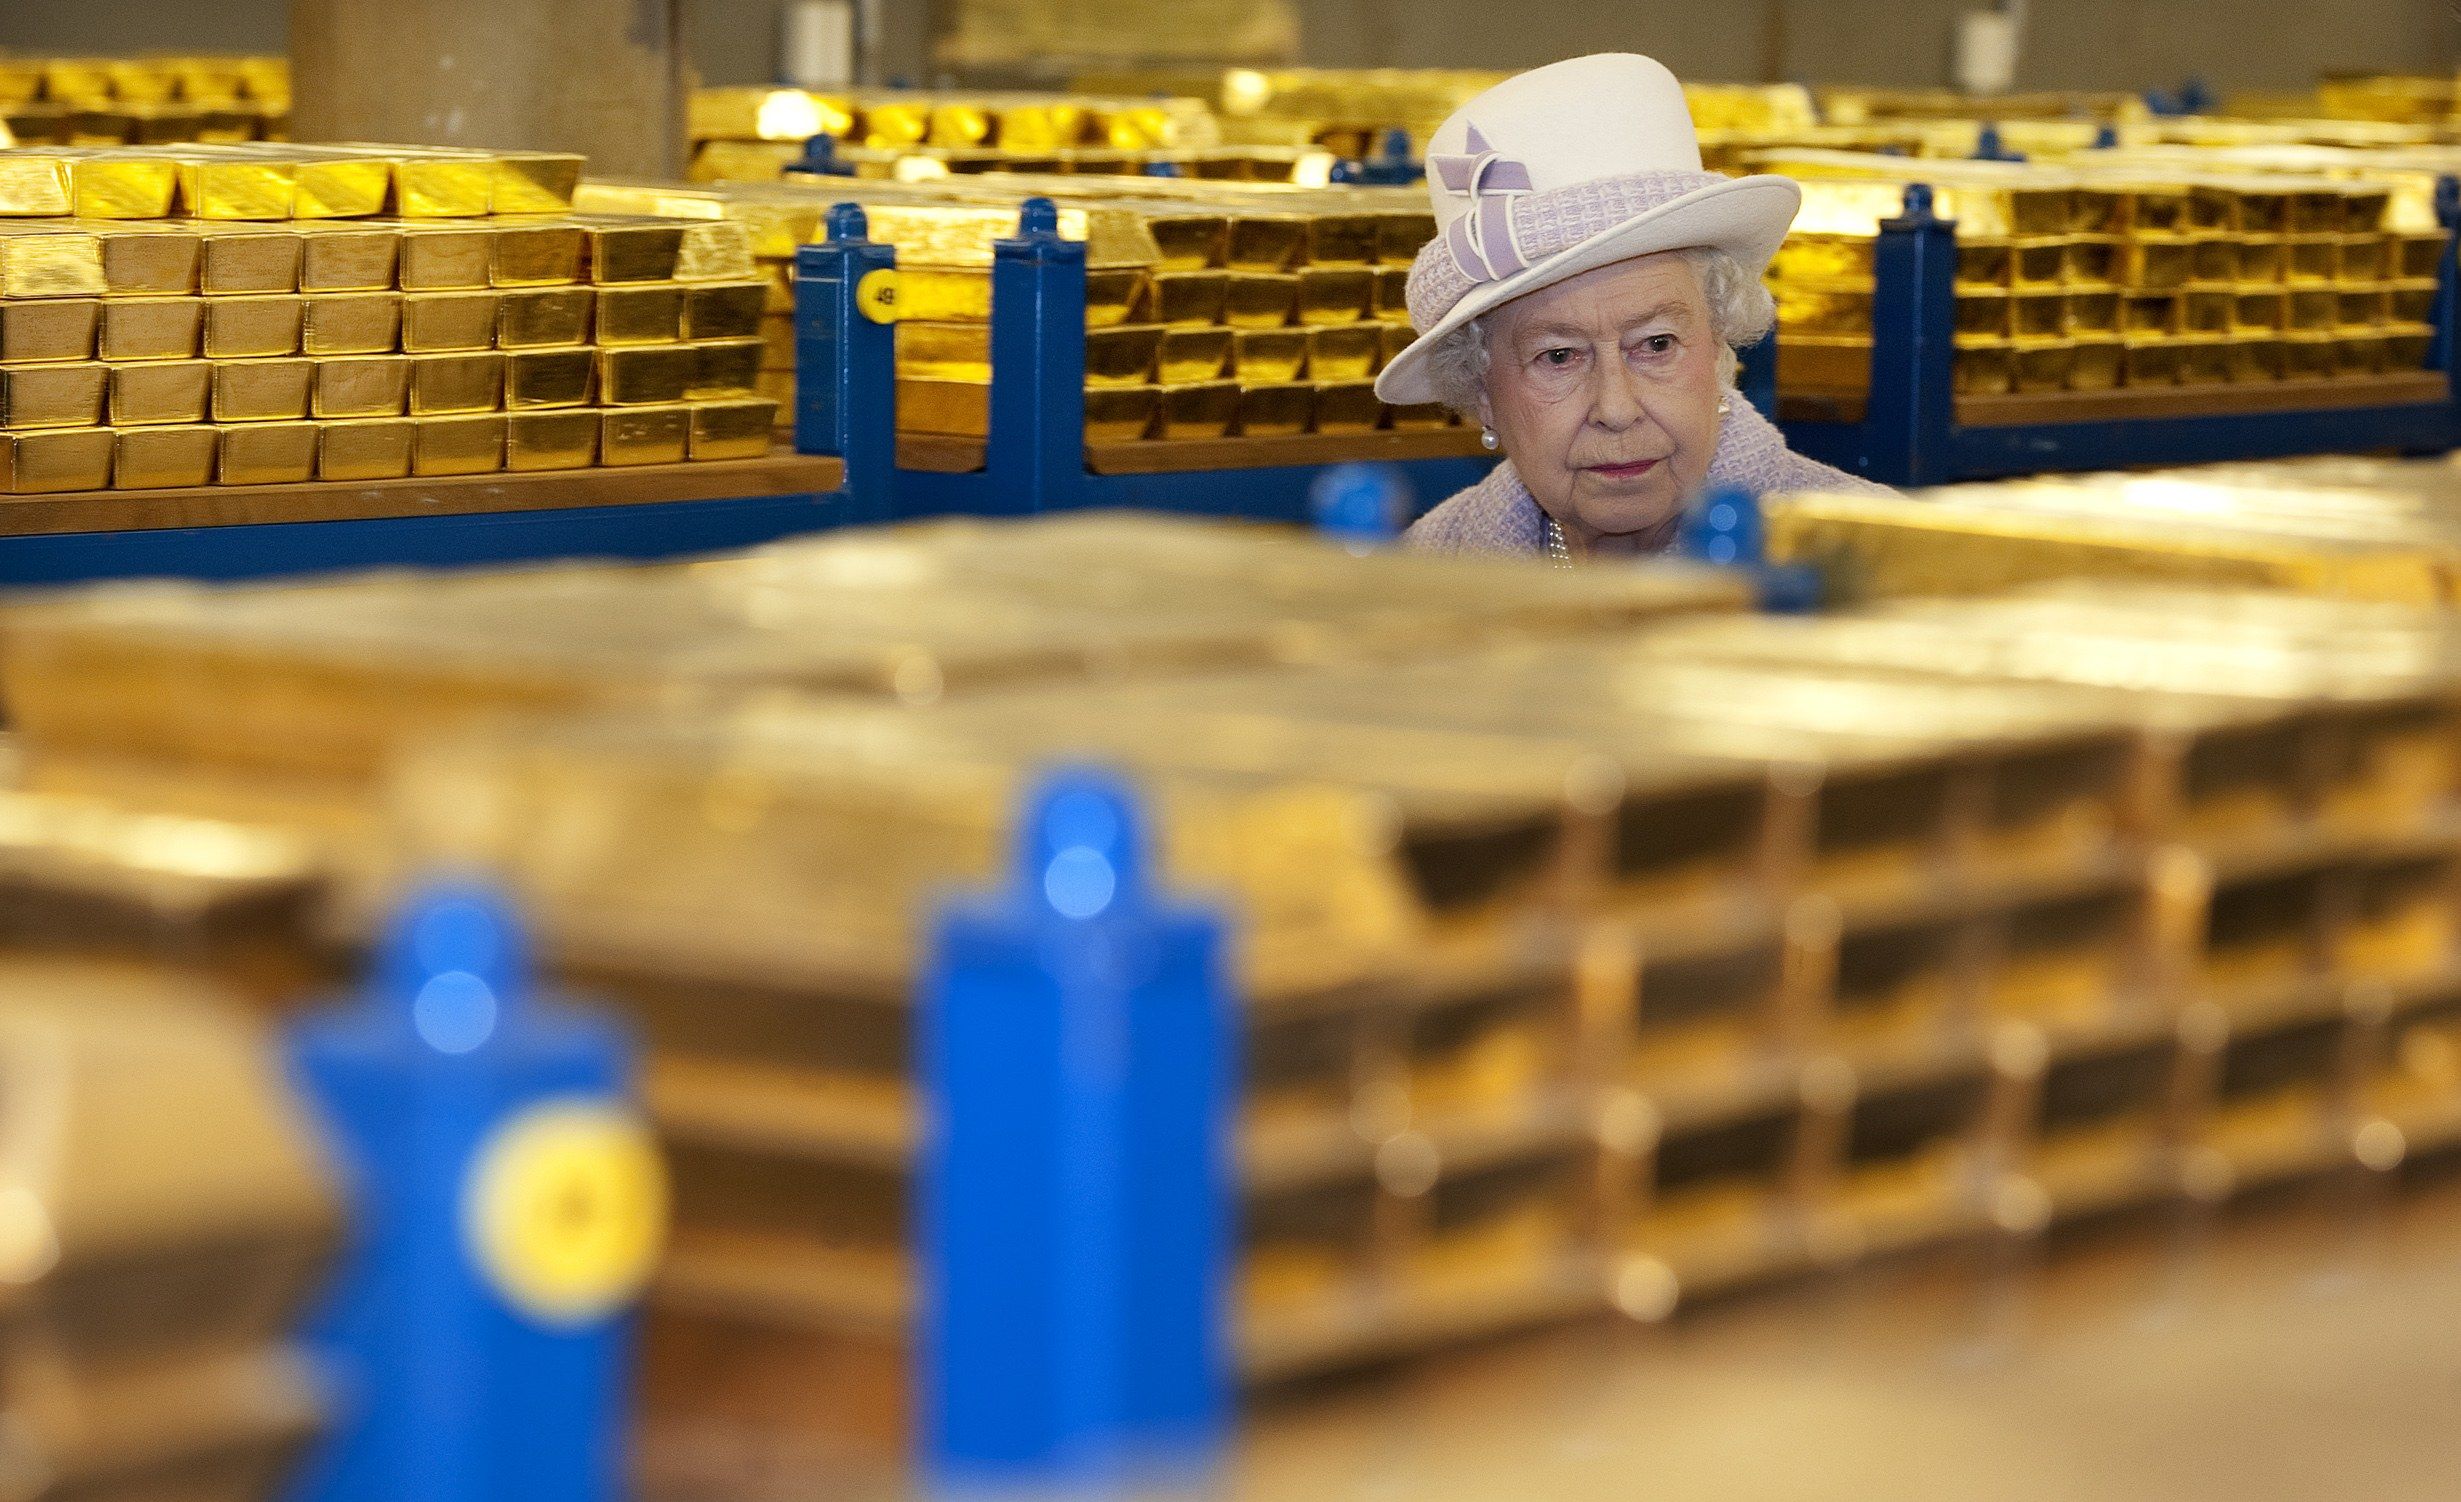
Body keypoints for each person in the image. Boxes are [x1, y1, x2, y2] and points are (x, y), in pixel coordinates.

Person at [1375, 54, 1894, 563]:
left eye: (1656, 344)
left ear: (1719, 350)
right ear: (1483, 393)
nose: (1617, 411)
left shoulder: (1871, 562)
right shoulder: (1424, 574)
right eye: (1558, 357)